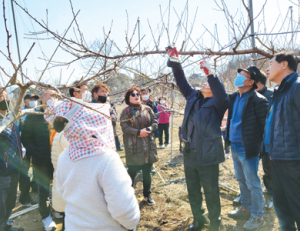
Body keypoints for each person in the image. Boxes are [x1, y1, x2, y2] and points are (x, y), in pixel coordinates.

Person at [45, 97, 140, 230]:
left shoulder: (64, 157)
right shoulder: (107, 159)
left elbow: (61, 191)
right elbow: (125, 211)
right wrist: (131, 225)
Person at [166, 47, 229, 231]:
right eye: (204, 82)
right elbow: (181, 80)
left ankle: (216, 223)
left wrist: (211, 74)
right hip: (189, 154)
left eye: (208, 84)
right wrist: (175, 61)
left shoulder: (218, 104)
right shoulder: (192, 97)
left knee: (211, 191)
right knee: (193, 191)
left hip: (207, 156)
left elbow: (222, 93)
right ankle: (199, 219)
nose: (204, 84)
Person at [225, 66, 269, 230]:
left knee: (253, 182)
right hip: (234, 144)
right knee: (241, 179)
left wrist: (260, 148)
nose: (239, 77)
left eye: (243, 75)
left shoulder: (259, 100)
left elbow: (265, 127)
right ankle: (246, 207)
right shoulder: (234, 97)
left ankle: (258, 216)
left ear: (251, 82)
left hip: (248, 147)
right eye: (240, 74)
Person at [263, 52, 300, 230]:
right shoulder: (277, 92)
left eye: (271, 63)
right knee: (282, 208)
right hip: (276, 158)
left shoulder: (297, 87)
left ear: (284, 64)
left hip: (293, 160)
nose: (267, 68)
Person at [21, 89, 57, 231]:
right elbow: (25, 138)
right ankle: (46, 217)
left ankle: (59, 210)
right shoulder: (34, 115)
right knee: (43, 189)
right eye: (49, 95)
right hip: (42, 160)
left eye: (54, 95)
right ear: (42, 97)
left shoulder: (59, 113)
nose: (52, 98)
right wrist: (36, 153)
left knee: (60, 185)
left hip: (59, 158)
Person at [120, 86, 158, 205]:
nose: (137, 96)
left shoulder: (147, 109)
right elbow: (124, 127)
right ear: (128, 98)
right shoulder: (126, 111)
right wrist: (138, 132)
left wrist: (149, 129)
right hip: (133, 147)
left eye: (138, 94)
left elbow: (155, 122)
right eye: (133, 95)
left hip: (148, 146)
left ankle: (147, 195)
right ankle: (128, 196)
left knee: (147, 172)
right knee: (132, 172)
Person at [0, 89, 24, 231]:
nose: (3, 97)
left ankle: (5, 224)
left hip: (15, 166)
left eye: (5, 94)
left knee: (10, 199)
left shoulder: (11, 117)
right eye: (0, 95)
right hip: (2, 169)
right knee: (1, 202)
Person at [255, 72, 274, 210]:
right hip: (253, 140)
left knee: (269, 170)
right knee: (249, 170)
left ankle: (272, 194)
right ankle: (249, 196)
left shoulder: (272, 95)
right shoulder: (249, 96)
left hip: (268, 141)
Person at [18, 94, 40, 206]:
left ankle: (35, 186)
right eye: (31, 99)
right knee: (24, 172)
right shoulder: (21, 114)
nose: (33, 101)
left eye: (35, 100)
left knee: (37, 167)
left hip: (36, 146)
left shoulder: (38, 111)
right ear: (25, 101)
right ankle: (25, 197)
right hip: (24, 148)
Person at [91, 83, 123, 151]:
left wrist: (112, 116)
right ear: (95, 94)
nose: (105, 94)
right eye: (102, 91)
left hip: (108, 139)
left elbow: (113, 115)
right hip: (96, 142)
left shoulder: (106, 106)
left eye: (106, 92)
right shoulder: (90, 107)